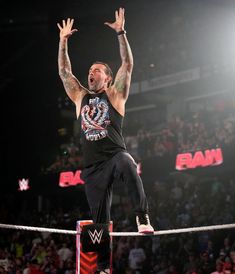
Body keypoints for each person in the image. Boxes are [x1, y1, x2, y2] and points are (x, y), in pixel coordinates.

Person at [57, 7, 154, 273]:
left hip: (113, 158)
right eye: (89, 69)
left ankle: (141, 216)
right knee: (99, 222)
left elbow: (128, 65)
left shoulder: (115, 95)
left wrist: (121, 33)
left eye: (96, 70)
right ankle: (102, 267)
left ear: (107, 78)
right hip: (92, 169)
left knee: (126, 160)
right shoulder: (81, 97)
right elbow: (65, 73)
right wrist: (63, 41)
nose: (91, 72)